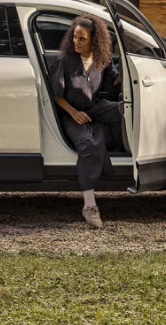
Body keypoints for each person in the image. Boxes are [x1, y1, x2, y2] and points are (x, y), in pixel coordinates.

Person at [48, 14, 125, 228]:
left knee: (123, 111)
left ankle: (121, 149)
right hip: (70, 111)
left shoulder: (102, 59)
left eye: (82, 38)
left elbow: (114, 80)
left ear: (94, 40)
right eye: (74, 37)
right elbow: (56, 94)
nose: (76, 42)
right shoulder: (65, 60)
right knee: (89, 144)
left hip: (95, 106)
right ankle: (89, 205)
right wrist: (73, 113)